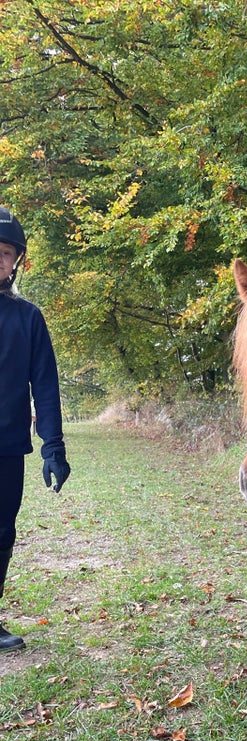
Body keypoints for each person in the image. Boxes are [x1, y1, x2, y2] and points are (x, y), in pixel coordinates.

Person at [0, 206, 71, 652]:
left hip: (7, 449)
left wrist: (53, 449)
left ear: (16, 261)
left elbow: (45, 387)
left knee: (2, 535)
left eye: (5, 253)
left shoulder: (28, 319)